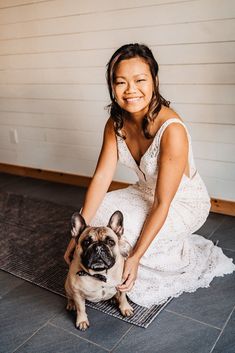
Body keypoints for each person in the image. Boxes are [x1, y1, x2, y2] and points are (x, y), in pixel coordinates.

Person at [64, 43, 235, 308]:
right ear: (112, 86)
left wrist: (133, 258)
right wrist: (77, 238)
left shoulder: (172, 130)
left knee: (127, 243)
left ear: (154, 80)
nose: (131, 90)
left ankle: (156, 263)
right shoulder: (116, 122)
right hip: (145, 190)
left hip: (181, 202)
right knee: (98, 219)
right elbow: (101, 178)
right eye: (121, 82)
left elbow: (162, 203)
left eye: (140, 80)